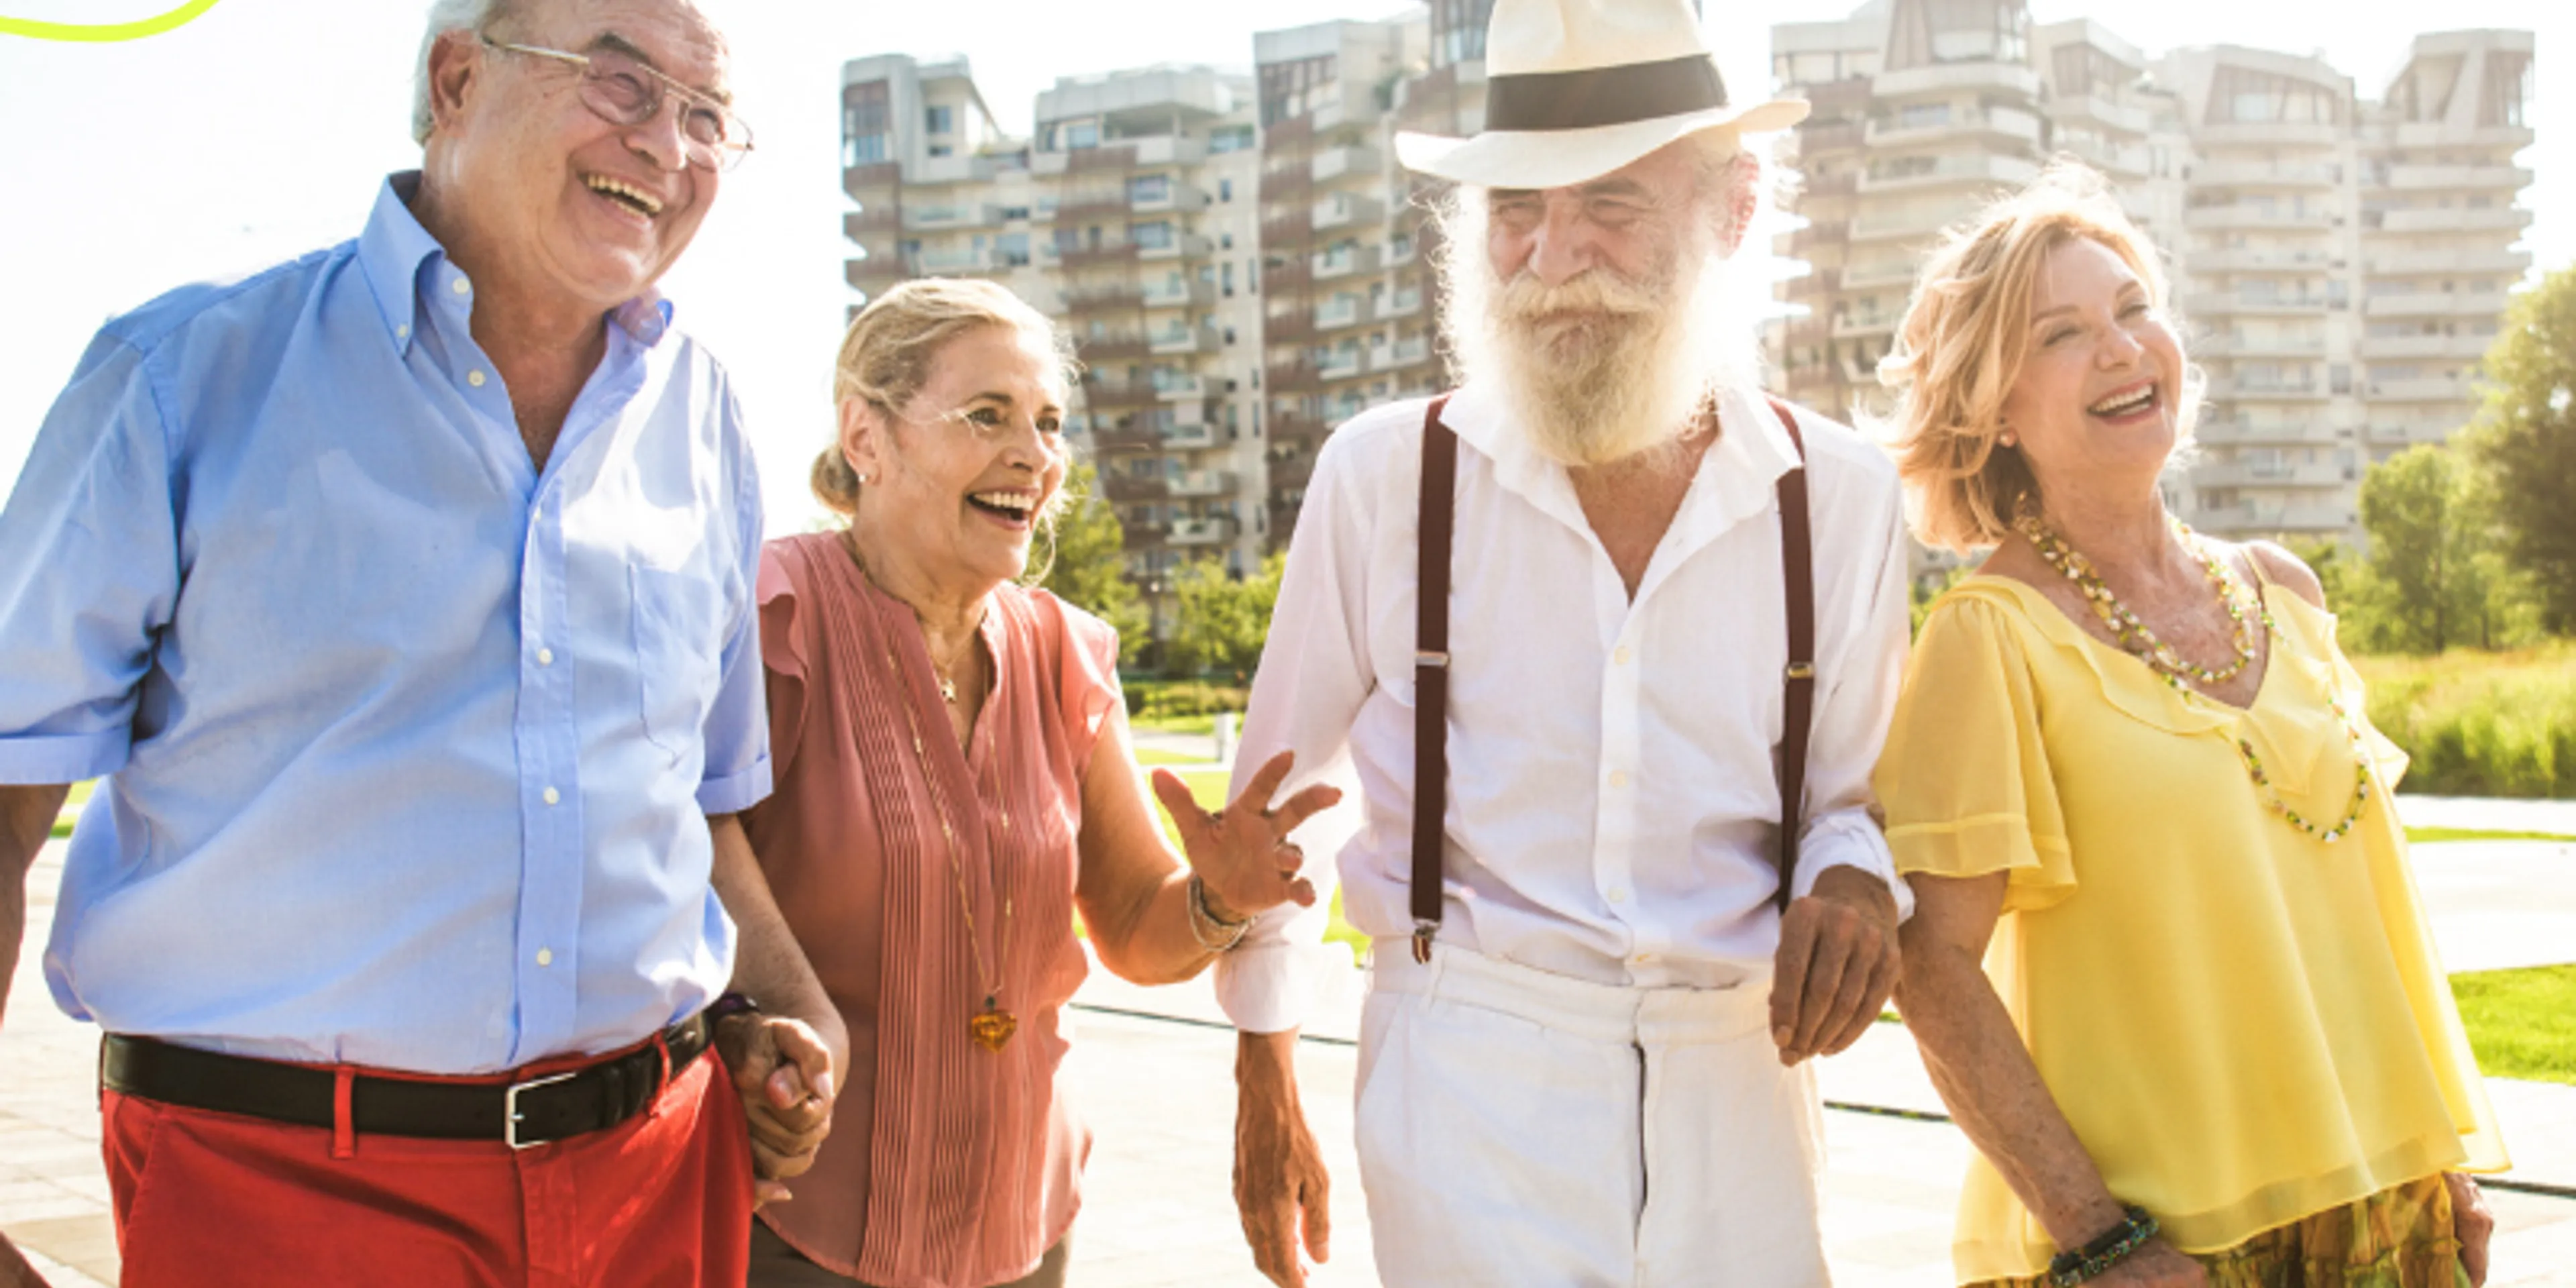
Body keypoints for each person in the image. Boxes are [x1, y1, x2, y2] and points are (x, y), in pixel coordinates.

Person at [0, 1, 847, 1285]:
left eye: (707, 115)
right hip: (275, 1190)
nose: (669, 144)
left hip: (657, 1179)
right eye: (620, 83)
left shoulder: (710, 418)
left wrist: (780, 995)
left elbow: (699, 801)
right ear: (455, 79)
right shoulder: (179, 376)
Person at [1212, 0, 1918, 1282]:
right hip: (1463, 1075)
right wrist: (1267, 1073)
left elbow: (1847, 801)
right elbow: (1277, 821)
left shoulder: (1845, 495)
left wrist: (1858, 881)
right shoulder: (1384, 476)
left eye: (1609, 204)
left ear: (1734, 209)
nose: (1551, 260)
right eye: (1515, 214)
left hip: (1744, 1082)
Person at [1874, 166, 2508, 1287]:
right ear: (1993, 408)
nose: (2120, 348)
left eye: (2132, 308)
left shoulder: (2287, 593)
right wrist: (2100, 1240)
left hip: (2387, 1211)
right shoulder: (1989, 639)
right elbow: (1931, 970)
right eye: (2062, 332)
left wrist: (2437, 1159)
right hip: (2163, 1249)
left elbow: (2360, 911)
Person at [733, 277, 1341, 1288]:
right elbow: (683, 886)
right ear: (867, 437)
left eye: (1049, 424)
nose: (1035, 456)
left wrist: (1220, 901)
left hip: (1025, 1229)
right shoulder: (772, 621)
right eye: (988, 416)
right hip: (797, 1234)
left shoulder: (1067, 652)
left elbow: (1139, 927)